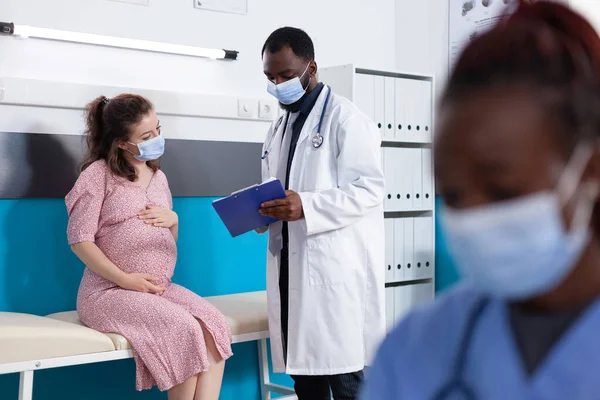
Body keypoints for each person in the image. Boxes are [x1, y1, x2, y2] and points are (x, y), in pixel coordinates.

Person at [361, 2, 600, 399]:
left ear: (589, 171)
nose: (473, 219)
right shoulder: (415, 349)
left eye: (503, 190)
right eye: (452, 195)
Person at [65, 94, 232, 400]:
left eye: (158, 130)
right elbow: (79, 240)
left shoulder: (158, 177)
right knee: (183, 327)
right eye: (146, 136)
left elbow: (167, 240)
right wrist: (124, 279)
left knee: (213, 324)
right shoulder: (97, 176)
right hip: (108, 292)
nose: (156, 139)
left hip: (157, 287)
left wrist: (174, 220)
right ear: (120, 142)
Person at [257, 27, 386, 400]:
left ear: (310, 69)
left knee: (347, 385)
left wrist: (307, 206)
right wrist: (263, 213)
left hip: (334, 275)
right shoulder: (279, 127)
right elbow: (276, 188)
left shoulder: (345, 119)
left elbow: (370, 189)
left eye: (285, 75)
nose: (277, 85)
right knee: (306, 383)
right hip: (290, 270)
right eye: (270, 77)